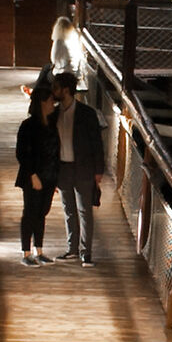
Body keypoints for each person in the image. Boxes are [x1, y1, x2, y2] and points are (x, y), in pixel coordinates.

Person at [53, 72, 105, 264]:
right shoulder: (54, 114)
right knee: (69, 210)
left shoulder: (87, 113)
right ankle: (72, 249)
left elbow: (97, 143)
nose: (53, 91)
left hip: (84, 168)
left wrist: (98, 171)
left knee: (84, 211)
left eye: (56, 88)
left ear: (66, 90)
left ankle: (86, 252)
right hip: (62, 168)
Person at [14, 82, 63, 266]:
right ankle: (26, 252)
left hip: (50, 174)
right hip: (33, 176)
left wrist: (55, 177)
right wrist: (32, 175)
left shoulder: (51, 124)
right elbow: (21, 153)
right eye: (50, 101)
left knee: (42, 212)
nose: (53, 104)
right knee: (30, 212)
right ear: (42, 103)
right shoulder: (28, 126)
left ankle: (39, 250)